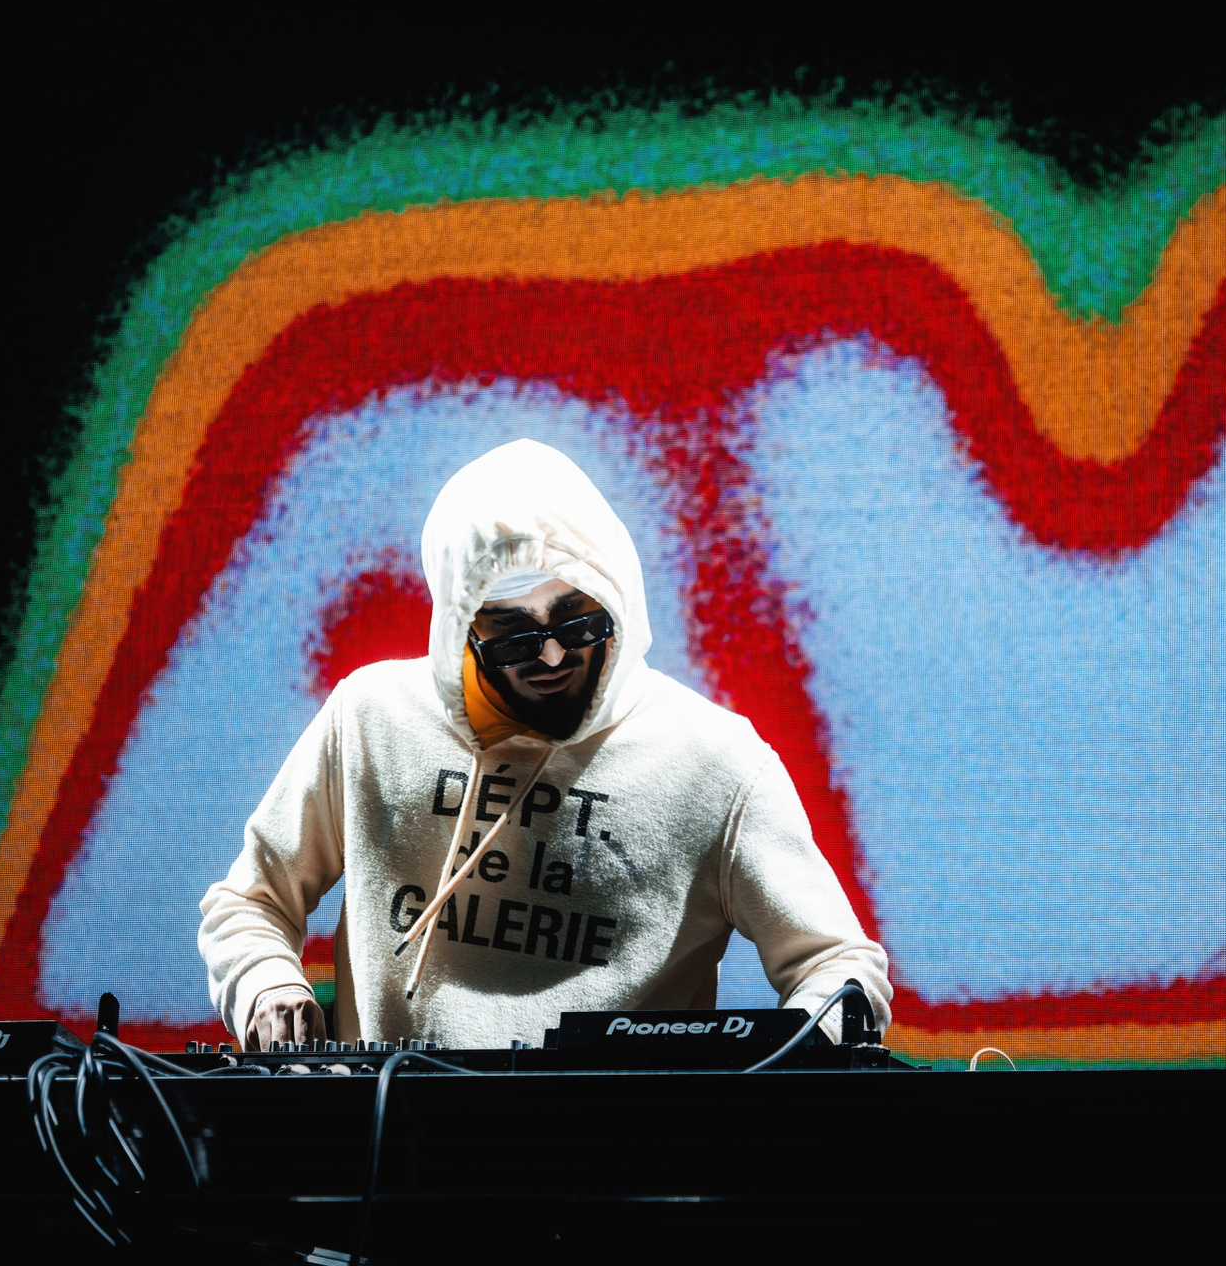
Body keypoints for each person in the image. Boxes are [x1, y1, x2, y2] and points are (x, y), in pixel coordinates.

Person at [199, 439, 892, 1051]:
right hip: (393, 1141)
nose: (553, 655)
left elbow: (838, 966)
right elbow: (249, 903)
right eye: (513, 635)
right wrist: (265, 986)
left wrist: (801, 1053)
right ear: (460, 630)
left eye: (578, 621)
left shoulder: (715, 761)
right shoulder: (371, 719)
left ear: (618, 602)